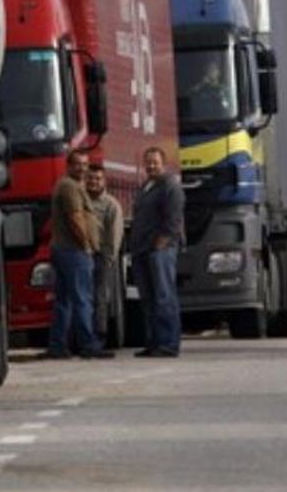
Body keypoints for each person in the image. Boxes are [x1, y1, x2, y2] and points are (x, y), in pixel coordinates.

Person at [46, 149, 112, 360]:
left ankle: (58, 345)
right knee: (83, 299)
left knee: (64, 300)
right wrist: (86, 244)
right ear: (68, 165)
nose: (82, 168)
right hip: (73, 251)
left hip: (64, 249)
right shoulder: (70, 187)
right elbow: (75, 218)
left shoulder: (69, 185)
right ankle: (88, 345)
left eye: (85, 164)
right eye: (78, 164)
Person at [129, 146, 186, 358]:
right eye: (149, 162)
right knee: (149, 299)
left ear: (164, 163)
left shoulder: (170, 186)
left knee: (164, 297)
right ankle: (153, 342)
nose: (151, 166)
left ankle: (169, 344)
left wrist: (163, 241)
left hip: (159, 250)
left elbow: (174, 217)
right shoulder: (147, 186)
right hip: (142, 250)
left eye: (155, 162)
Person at [85, 163, 124, 346]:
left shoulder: (111, 205)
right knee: (84, 298)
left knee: (99, 298)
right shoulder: (81, 201)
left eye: (97, 179)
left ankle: (99, 338)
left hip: (100, 256)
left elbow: (115, 234)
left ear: (104, 181)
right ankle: (84, 338)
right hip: (83, 255)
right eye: (90, 178)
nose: (93, 182)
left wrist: (109, 258)